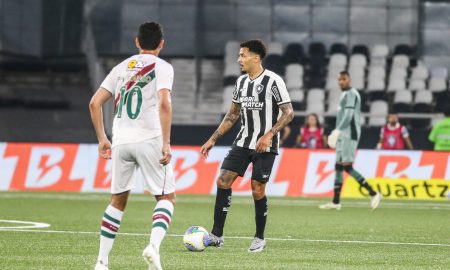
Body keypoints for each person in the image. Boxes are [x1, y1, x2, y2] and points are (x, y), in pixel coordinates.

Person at [89, 22, 175, 270]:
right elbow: (164, 104)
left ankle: (102, 262)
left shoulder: (121, 67)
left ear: (137, 42)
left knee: (117, 201)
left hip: (121, 141)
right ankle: (153, 249)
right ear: (161, 44)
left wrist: (102, 138)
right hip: (149, 138)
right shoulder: (163, 67)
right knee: (166, 197)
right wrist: (166, 142)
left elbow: (95, 103)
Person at [200, 39, 293, 252]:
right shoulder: (241, 82)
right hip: (243, 141)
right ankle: (216, 235)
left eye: (243, 55)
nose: (238, 59)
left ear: (256, 57)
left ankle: (259, 237)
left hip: (265, 145)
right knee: (223, 180)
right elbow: (233, 114)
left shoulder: (273, 81)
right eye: (239, 55)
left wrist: (269, 134)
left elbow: (289, 112)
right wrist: (213, 138)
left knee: (257, 189)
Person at [319, 71, 381, 210]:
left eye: (344, 79)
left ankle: (373, 192)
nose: (341, 82)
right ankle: (336, 201)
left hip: (349, 134)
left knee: (346, 166)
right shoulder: (345, 95)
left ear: (349, 80)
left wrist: (337, 130)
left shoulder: (352, 94)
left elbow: (348, 115)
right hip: (343, 135)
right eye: (339, 79)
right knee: (338, 166)